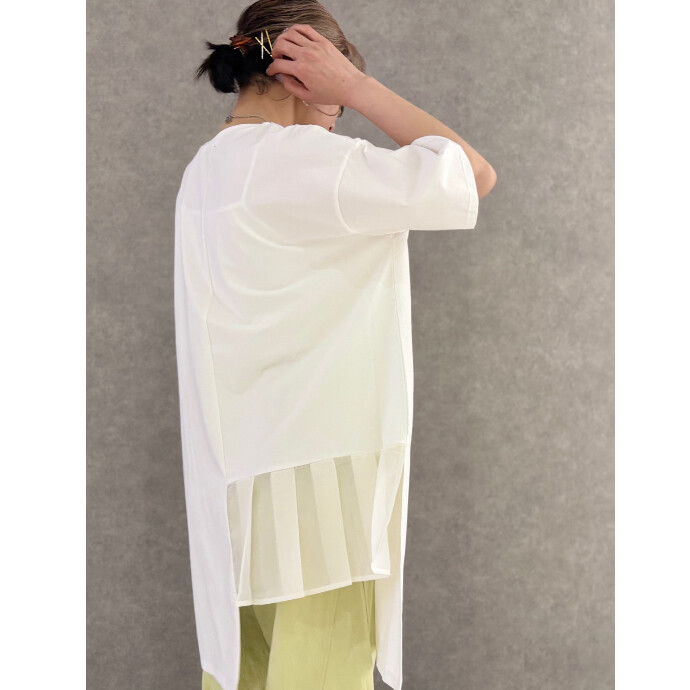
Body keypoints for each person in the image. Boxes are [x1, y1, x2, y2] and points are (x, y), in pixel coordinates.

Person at [175, 4, 497, 690]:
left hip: (236, 488)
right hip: (320, 492)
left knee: (246, 675)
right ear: (305, 75)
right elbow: (474, 175)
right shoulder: (304, 162)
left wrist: (340, 88)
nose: (338, 122)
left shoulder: (206, 170)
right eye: (337, 103)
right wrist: (357, 87)